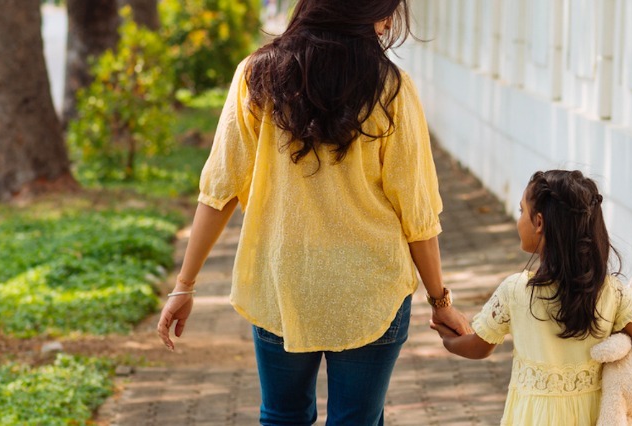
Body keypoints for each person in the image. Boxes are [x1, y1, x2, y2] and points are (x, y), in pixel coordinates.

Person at [155, 0, 469, 424]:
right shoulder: (391, 87)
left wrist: (184, 285)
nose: (387, 24)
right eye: (385, 13)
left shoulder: (257, 75)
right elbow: (415, 209)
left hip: (283, 283)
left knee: (282, 416)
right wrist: (440, 300)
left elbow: (219, 190)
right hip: (371, 287)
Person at [430, 170, 632, 426]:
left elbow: (479, 347)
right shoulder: (612, 291)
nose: (519, 219)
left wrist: (448, 339)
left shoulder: (515, 290)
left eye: (522, 211)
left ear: (539, 222)